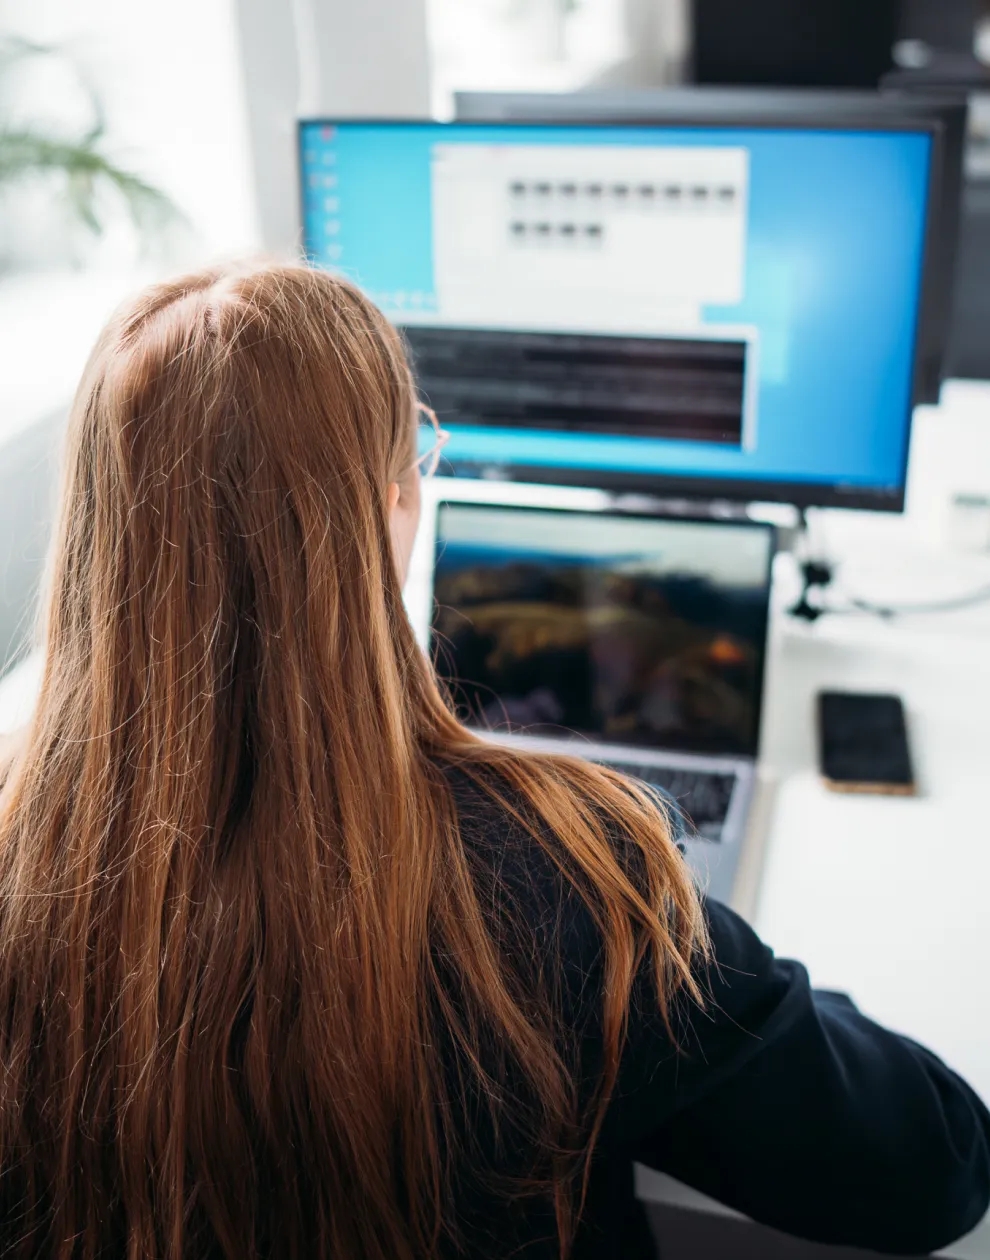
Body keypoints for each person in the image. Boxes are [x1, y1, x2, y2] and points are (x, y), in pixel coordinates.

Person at [0, 262, 985, 1260]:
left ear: (103, 527)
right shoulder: (566, 878)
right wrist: (712, 946)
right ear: (388, 511)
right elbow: (934, 1167)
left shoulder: (19, 852)